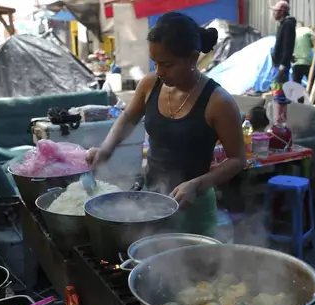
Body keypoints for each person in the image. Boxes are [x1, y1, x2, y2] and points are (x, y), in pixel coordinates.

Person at [86, 12, 246, 237]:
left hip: (194, 209)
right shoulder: (150, 84)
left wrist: (197, 184)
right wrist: (105, 149)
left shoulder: (219, 102)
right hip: (150, 200)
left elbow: (238, 159)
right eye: (155, 63)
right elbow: (128, 117)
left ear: (192, 58)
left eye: (167, 64)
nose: (159, 71)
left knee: (194, 270)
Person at [270, 1, 296, 85]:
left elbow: (288, 45)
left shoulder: (288, 24)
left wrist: (283, 65)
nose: (273, 13)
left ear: (282, 12)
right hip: (278, 62)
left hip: (281, 64)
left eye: (275, 11)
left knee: (280, 88)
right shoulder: (283, 24)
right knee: (277, 87)